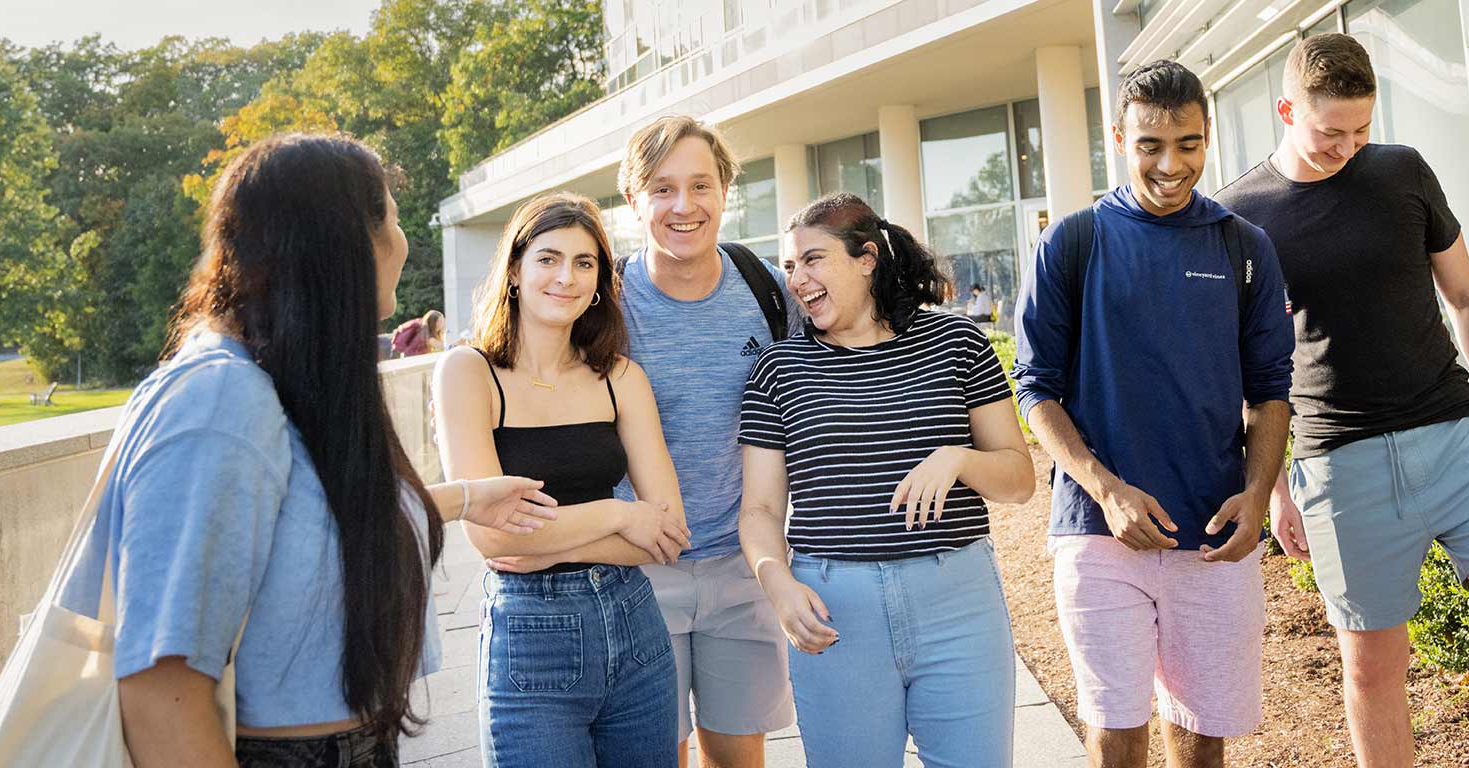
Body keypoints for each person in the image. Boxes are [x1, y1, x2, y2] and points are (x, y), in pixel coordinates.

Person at [85, 133, 566, 768]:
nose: (403, 243)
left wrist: (472, 497)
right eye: (392, 221)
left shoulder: (282, 382)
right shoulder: (219, 402)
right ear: (342, 246)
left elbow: (312, 518)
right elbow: (160, 692)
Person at [1215, 34, 1469, 768]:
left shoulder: (1402, 172)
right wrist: (1272, 484)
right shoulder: (1240, 216)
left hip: (1460, 437)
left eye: (1362, 129)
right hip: (1340, 465)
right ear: (1286, 110)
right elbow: (1249, 367)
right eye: (1331, 132)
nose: (1349, 147)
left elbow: (1466, 295)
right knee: (1374, 670)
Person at [1012, 60, 1295, 768]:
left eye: (1189, 144)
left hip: (1214, 529)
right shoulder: (1072, 243)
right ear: (1118, 138)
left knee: (1201, 739)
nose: (1172, 165)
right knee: (1117, 732)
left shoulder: (1243, 247)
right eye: (1150, 146)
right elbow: (1035, 387)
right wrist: (1104, 489)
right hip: (1098, 534)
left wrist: (1258, 495)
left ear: (1206, 139)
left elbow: (1270, 390)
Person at [738, 193, 1034, 768]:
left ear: (867, 258)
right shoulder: (778, 369)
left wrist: (958, 460)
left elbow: (1019, 478)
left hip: (958, 602)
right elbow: (760, 510)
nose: (798, 278)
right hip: (835, 609)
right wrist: (775, 581)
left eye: (814, 259)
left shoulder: (959, 344)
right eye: (791, 265)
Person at [433, 193, 692, 768]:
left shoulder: (620, 377)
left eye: (585, 262)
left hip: (636, 626)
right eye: (548, 258)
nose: (566, 277)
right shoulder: (467, 372)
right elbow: (494, 538)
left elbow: (669, 531)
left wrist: (544, 541)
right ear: (516, 271)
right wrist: (619, 515)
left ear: (600, 281)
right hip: (530, 636)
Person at [606, 114, 798, 768]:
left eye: (701, 185)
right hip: (634, 570)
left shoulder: (769, 290)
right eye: (662, 189)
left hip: (742, 568)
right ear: (633, 201)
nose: (683, 206)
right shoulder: (602, 301)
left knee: (739, 758)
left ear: (725, 193)